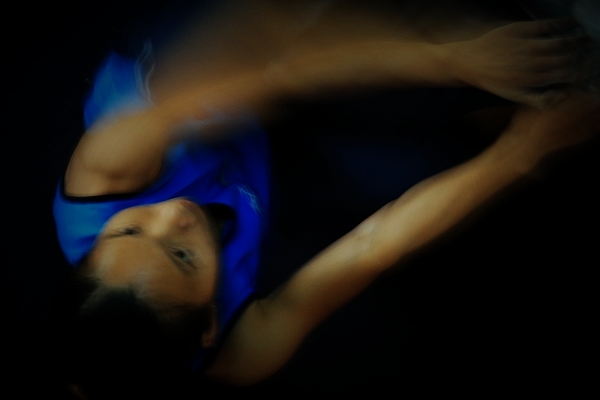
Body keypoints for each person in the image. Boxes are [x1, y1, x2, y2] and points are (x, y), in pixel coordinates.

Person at [49, 1, 599, 398]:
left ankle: (514, 38)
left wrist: (453, 57)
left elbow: (282, 69)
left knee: (315, 30)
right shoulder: (243, 351)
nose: (172, 214)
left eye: (128, 229)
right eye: (182, 256)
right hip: (259, 160)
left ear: (93, 251)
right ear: (210, 322)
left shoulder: (107, 168)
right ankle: (549, 85)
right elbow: (370, 246)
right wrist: (524, 152)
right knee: (417, 164)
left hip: (212, 79)